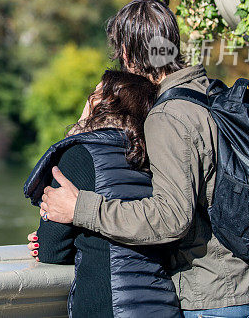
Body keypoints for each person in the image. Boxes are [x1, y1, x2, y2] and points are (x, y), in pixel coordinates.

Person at [30, 0, 249, 318]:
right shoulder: (209, 94)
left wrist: (81, 208)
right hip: (248, 286)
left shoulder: (169, 116)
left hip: (215, 296)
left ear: (128, 56)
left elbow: (170, 219)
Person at [24, 69, 181, 317]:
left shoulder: (80, 154)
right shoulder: (154, 157)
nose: (89, 98)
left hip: (108, 305)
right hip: (162, 302)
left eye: (94, 93)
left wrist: (79, 127)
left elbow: (50, 250)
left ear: (105, 104)